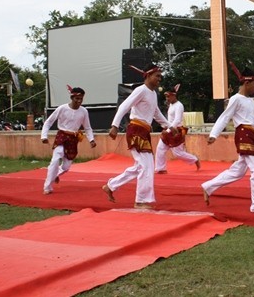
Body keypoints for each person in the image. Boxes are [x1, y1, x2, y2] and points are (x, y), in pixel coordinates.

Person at [201, 63, 254, 214]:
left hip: (251, 135)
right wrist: (213, 134)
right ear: (246, 83)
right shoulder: (235, 99)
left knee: (238, 171)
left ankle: (208, 186)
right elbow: (225, 117)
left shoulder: (249, 101)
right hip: (244, 135)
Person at [103, 64, 175, 209]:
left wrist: (169, 126)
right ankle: (141, 200)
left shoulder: (153, 94)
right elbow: (124, 106)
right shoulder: (140, 90)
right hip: (135, 130)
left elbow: (156, 113)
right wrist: (115, 125)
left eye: (160, 76)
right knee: (146, 166)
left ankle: (111, 185)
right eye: (157, 76)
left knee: (141, 166)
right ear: (148, 76)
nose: (160, 79)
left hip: (144, 132)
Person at [41, 86, 96, 195]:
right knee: (56, 159)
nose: (79, 101)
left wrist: (91, 140)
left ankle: (55, 174)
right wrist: (44, 136)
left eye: (81, 99)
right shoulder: (62, 108)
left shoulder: (84, 111)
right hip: (62, 136)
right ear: (72, 97)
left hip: (73, 139)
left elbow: (87, 127)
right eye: (77, 99)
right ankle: (47, 187)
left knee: (66, 167)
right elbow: (48, 122)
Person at [154, 84, 201, 174]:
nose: (167, 99)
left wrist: (168, 130)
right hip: (169, 130)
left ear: (174, 95)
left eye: (168, 96)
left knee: (178, 153)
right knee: (160, 148)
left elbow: (177, 120)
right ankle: (160, 168)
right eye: (166, 97)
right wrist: (166, 126)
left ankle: (195, 159)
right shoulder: (171, 105)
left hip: (176, 131)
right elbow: (170, 119)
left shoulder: (179, 105)